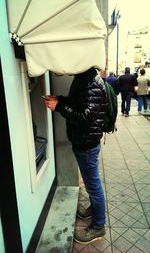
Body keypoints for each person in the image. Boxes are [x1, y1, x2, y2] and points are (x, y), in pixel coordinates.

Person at [44, 67, 107, 244]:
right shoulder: (83, 78)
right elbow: (76, 103)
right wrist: (60, 101)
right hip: (84, 141)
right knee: (91, 183)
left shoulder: (90, 82)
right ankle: (94, 210)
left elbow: (86, 117)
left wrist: (60, 107)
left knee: (93, 185)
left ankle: (98, 226)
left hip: (87, 143)